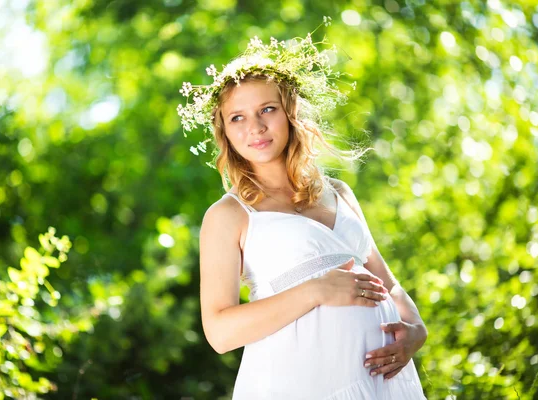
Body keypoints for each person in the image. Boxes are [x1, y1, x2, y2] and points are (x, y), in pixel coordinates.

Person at [179, 26, 428, 399]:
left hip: (385, 385)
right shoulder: (229, 215)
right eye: (238, 118)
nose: (256, 128)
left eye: (267, 110)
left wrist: (416, 331)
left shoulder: (339, 192)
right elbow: (219, 333)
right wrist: (315, 290)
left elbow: (387, 283)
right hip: (299, 382)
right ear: (224, 130)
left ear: (290, 112)